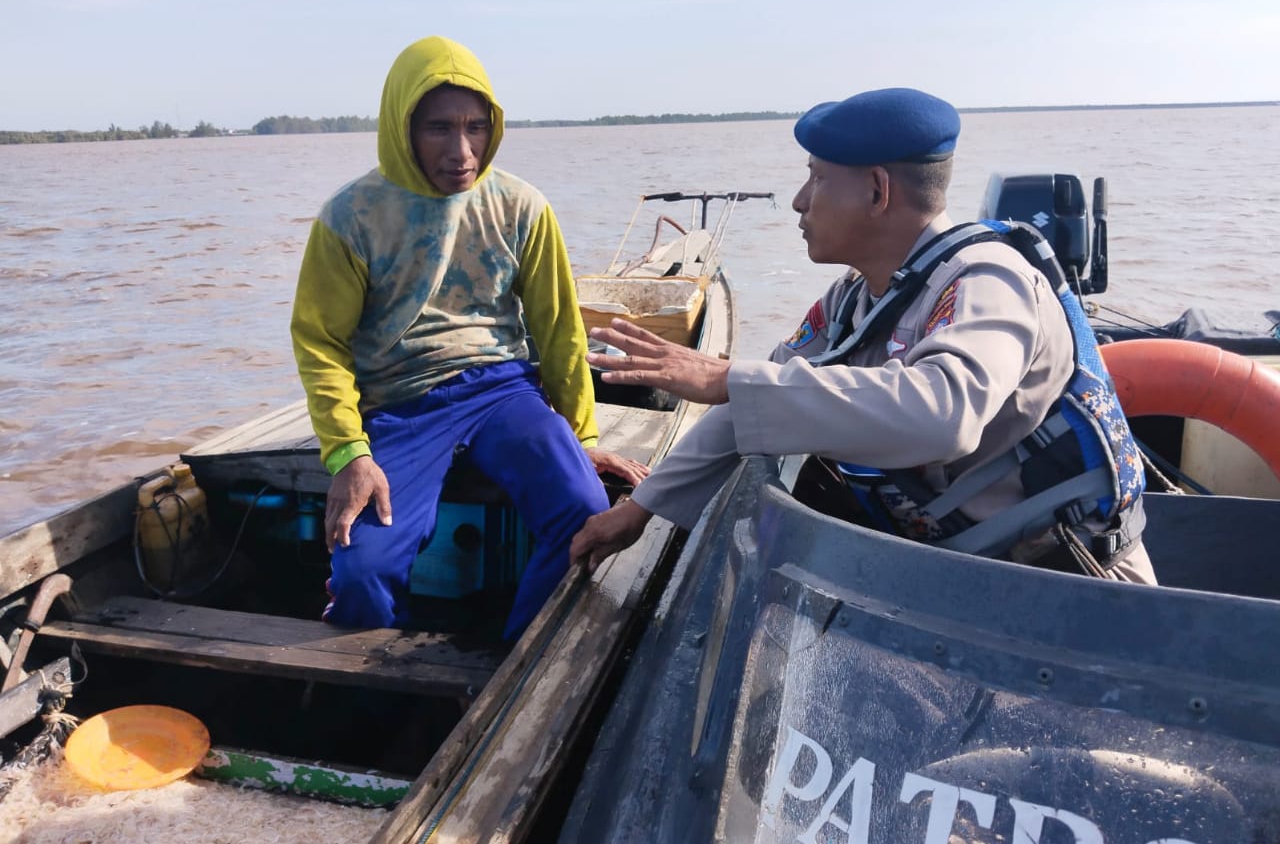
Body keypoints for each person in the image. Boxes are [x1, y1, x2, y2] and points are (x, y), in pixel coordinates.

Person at [570, 87, 1155, 584]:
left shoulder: (988, 280)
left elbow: (944, 415)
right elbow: (745, 407)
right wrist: (641, 510)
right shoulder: (857, 298)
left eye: (818, 179)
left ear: (877, 191)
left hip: (1077, 587)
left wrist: (727, 376)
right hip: (969, 573)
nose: (800, 201)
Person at [291, 35, 647, 641]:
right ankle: (370, 676)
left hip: (502, 391)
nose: (462, 151)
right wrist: (349, 453)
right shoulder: (351, 218)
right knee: (362, 570)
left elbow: (558, 331)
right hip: (401, 404)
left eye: (475, 128)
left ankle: (519, 659)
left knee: (586, 512)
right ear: (401, 126)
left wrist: (579, 436)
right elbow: (320, 343)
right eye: (438, 129)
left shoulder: (521, 207)